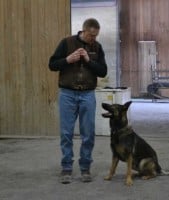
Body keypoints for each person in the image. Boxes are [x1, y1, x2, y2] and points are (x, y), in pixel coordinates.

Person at [48, 18, 107, 184]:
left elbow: (103, 72)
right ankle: (66, 168)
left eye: (95, 36)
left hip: (88, 94)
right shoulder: (66, 43)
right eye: (90, 36)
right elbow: (52, 65)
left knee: (88, 133)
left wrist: (89, 61)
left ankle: (85, 168)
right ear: (83, 31)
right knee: (66, 133)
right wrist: (68, 60)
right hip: (67, 93)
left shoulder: (97, 47)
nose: (93, 39)